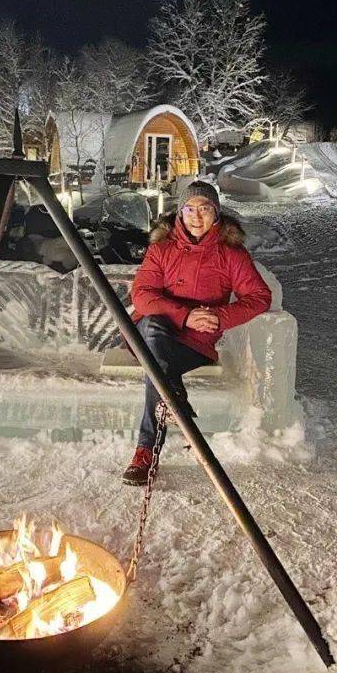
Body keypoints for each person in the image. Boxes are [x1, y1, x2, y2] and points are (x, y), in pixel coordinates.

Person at [122, 180, 272, 485]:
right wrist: (186, 315)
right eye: (189, 209)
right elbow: (142, 296)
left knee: (156, 363)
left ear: (216, 213)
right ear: (180, 212)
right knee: (152, 328)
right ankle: (172, 403)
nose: (196, 216)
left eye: (204, 209)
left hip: (192, 344)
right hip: (153, 331)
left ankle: (145, 450)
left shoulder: (231, 254)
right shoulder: (161, 248)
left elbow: (259, 297)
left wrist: (219, 316)